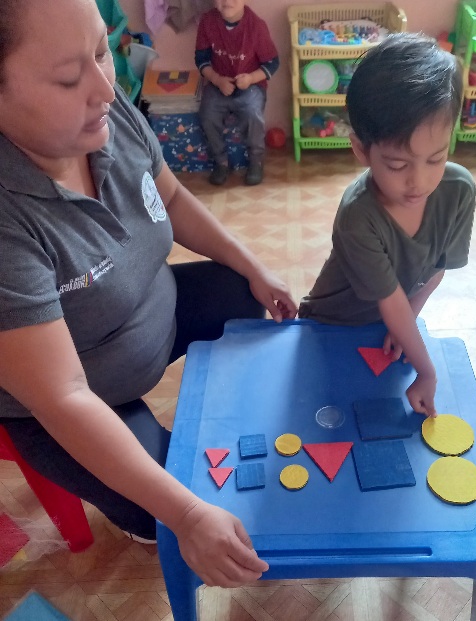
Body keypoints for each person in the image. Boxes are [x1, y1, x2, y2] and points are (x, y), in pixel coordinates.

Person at [0, 0, 298, 588]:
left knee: (239, 290)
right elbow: (64, 397)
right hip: (76, 403)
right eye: (69, 78)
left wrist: (255, 266)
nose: (103, 89)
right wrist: (185, 515)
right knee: (168, 508)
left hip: (151, 312)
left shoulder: (107, 113)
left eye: (101, 51)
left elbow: (174, 199)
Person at [299, 33, 476, 419]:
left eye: (436, 158)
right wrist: (426, 371)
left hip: (391, 326)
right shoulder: (358, 216)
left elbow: (437, 268)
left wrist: (405, 322)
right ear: (361, 149)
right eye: (397, 165)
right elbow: (390, 301)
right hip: (331, 327)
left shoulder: (459, 190)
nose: (419, 182)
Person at [195, 0, 279, 186]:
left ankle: (256, 161)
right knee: (207, 114)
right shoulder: (207, 22)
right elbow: (201, 60)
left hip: (250, 84)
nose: (227, 1)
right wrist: (217, 80)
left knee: (252, 114)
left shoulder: (256, 26)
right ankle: (221, 162)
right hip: (219, 82)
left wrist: (250, 78)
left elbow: (272, 63)